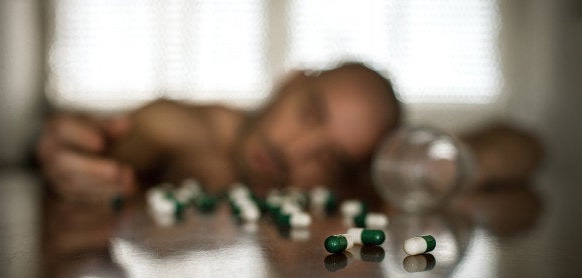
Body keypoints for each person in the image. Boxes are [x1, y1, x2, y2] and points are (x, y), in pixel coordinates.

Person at [36, 62, 542, 204]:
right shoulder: (187, 125)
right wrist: (90, 155)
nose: (294, 153)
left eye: (331, 157)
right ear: (290, 82)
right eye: (309, 114)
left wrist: (461, 163)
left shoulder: (372, 173)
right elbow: (137, 139)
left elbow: (525, 146)